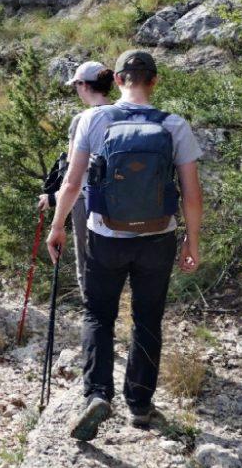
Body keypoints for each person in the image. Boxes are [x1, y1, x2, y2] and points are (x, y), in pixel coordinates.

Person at [46, 50, 203, 441]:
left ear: (117, 80)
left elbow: (72, 183)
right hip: (158, 238)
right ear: (155, 80)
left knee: (98, 315)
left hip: (105, 236)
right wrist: (192, 240)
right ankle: (140, 405)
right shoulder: (174, 125)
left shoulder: (92, 119)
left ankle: (98, 394)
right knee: (147, 319)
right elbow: (192, 193)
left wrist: (58, 225)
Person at [39, 61, 115, 290]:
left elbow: (72, 174)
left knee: (87, 267)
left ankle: (94, 317)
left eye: (76, 85)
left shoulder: (82, 120)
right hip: (123, 201)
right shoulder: (124, 113)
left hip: (86, 199)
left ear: (83, 85)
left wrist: (54, 202)